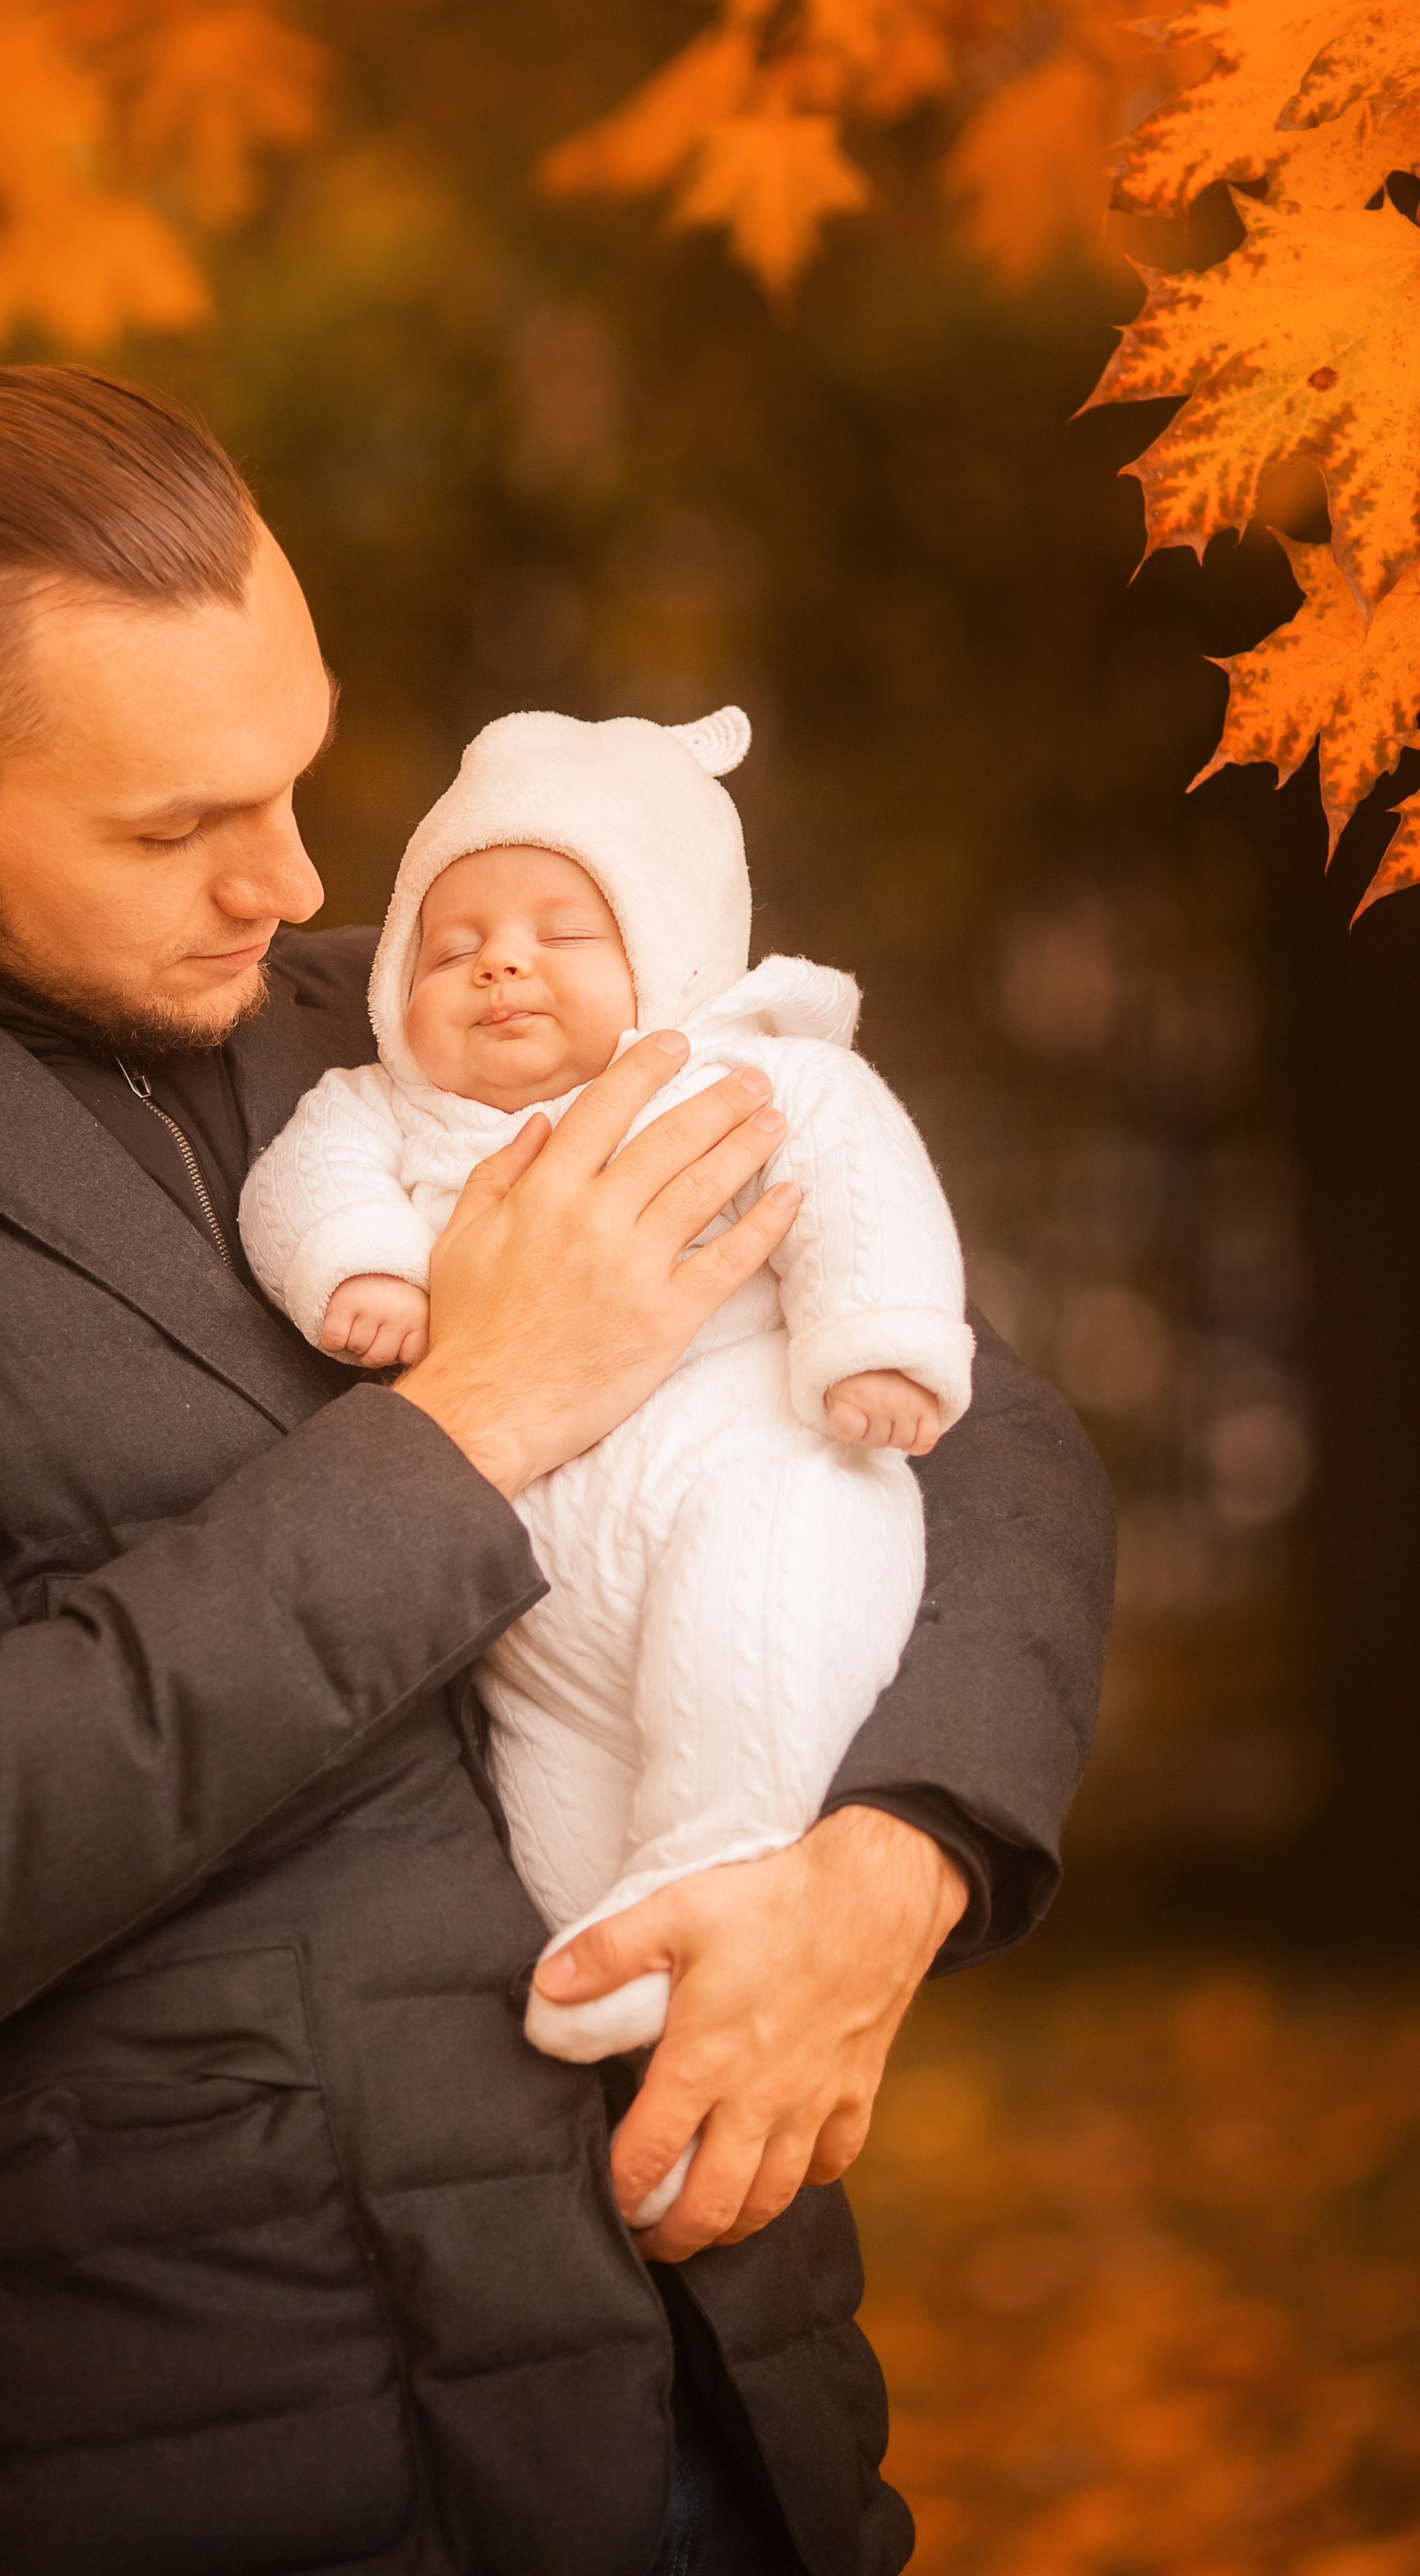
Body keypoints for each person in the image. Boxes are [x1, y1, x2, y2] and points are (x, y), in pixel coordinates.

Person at [0, 363, 1115, 2576]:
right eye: (175, 826)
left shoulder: (413, 1017)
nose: (295, 876)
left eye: (296, 769)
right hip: (233, 2452)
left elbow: (974, 1427)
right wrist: (475, 1423)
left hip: (730, 2398)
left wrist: (901, 1858)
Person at [238, 703, 973, 2229]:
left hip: (750, 1471)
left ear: (673, 955)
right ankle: (626, 2017)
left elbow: (859, 1167)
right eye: (452, 946)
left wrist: (876, 1339)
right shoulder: (376, 1109)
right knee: (560, 1796)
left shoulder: (741, 1078)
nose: (500, 964)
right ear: (396, 990)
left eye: (564, 930)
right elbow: (298, 1189)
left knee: (743, 1644)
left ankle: (715, 1868)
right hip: (531, 1595)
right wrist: (357, 1265)